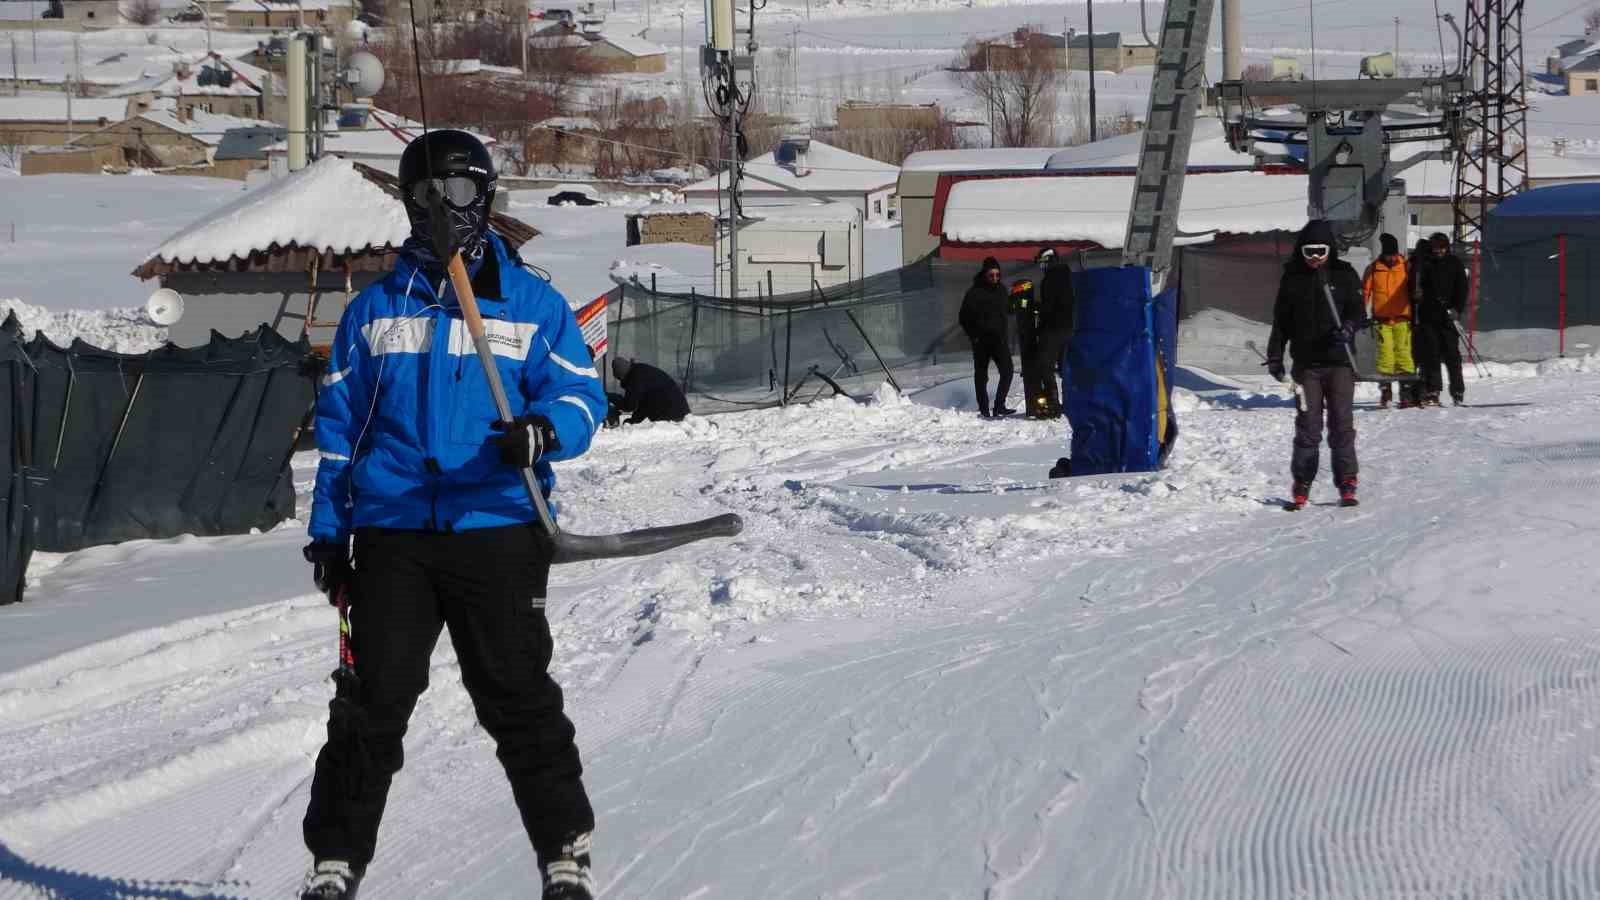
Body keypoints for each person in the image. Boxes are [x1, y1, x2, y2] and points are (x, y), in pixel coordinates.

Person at [299, 130, 607, 900]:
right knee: (372, 701)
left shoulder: (530, 302)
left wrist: (544, 431)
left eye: (461, 194)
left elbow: (580, 396)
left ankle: (563, 850)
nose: (445, 210)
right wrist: (330, 531)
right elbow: (340, 431)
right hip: (395, 531)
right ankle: (336, 860)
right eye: (427, 196)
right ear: (407, 205)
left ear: (488, 198)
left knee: (516, 692)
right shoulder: (375, 309)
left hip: (497, 526)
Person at [1265, 219, 1366, 509]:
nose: (1315, 258)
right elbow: (1281, 322)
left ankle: (1347, 480)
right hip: (1307, 365)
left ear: (1330, 249)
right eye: (1309, 251)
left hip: (1339, 363)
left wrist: (1347, 328)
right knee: (1308, 426)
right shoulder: (1292, 278)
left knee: (1341, 424)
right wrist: (1275, 355)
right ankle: (1302, 481)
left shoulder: (1344, 274)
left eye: (1320, 251)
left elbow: (1359, 311)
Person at [1413, 231, 1469, 406]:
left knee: (1452, 355)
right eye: (1435, 248)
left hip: (1448, 317)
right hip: (1428, 316)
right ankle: (1433, 390)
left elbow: (1462, 289)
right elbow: (1416, 286)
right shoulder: (1425, 264)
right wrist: (1417, 295)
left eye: (1441, 248)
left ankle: (1458, 391)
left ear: (1447, 248)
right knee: (1432, 355)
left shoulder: (1455, 263)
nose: (1438, 251)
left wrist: (1457, 309)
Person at [1362, 233, 1413, 409]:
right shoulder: (1374, 269)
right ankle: (1386, 392)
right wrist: (1362, 313)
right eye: (1388, 254)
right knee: (1385, 357)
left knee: (1404, 355)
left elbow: (1415, 289)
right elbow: (1365, 292)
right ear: (1383, 253)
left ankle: (1406, 393)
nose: (1392, 258)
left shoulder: (1406, 267)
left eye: (1394, 254)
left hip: (1402, 318)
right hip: (1382, 320)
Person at [959, 256, 1015, 417]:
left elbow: (1008, 309)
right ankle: (984, 408)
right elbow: (963, 317)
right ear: (984, 274)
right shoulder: (974, 293)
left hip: (999, 340)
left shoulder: (1002, 290)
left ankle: (999, 405)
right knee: (982, 376)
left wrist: (1017, 303)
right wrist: (974, 336)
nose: (995, 278)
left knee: (1008, 371)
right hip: (981, 342)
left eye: (998, 275)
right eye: (991, 275)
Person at [1032, 246, 1075, 418]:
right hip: (1069, 328)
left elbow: (1049, 307)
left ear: (1050, 262)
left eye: (1043, 263)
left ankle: (1053, 402)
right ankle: (1071, 402)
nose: (1041, 267)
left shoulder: (1050, 280)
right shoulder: (1068, 276)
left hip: (1053, 330)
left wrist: (1036, 308)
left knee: (1045, 366)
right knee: (1066, 368)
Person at [609, 356, 690, 423]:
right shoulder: (639, 370)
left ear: (622, 375)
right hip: (679, 411)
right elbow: (645, 402)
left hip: (673, 415)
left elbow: (629, 405)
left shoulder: (635, 377)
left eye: (620, 379)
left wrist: (613, 398)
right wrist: (634, 420)